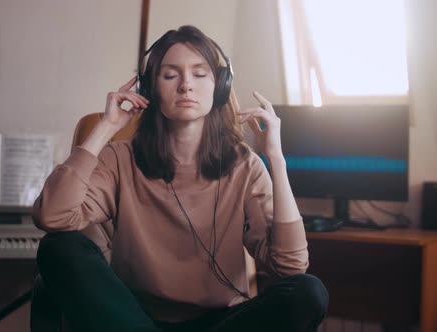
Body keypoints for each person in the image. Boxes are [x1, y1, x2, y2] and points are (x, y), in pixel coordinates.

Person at [33, 25, 328, 332]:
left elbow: (291, 268)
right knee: (58, 247)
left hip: (220, 323)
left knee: (309, 292)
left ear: (220, 86)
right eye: (170, 75)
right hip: (135, 321)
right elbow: (52, 216)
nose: (186, 85)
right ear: (149, 89)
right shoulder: (120, 158)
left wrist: (276, 159)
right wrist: (107, 127)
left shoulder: (245, 165)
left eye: (200, 74)